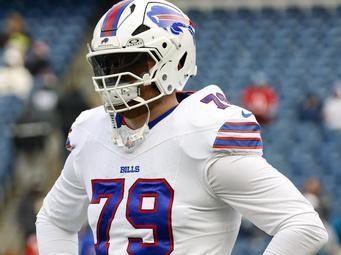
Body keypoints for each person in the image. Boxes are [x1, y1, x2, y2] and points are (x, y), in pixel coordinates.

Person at [36, 1, 328, 254]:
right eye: (107, 64)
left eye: (132, 62)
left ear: (174, 59)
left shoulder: (202, 134)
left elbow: (304, 226)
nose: (116, 76)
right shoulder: (92, 133)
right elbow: (54, 220)